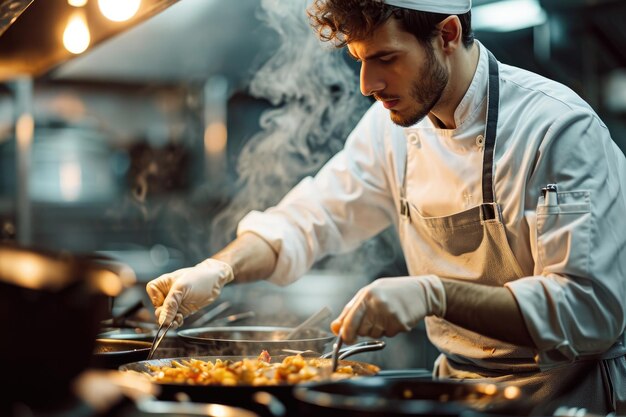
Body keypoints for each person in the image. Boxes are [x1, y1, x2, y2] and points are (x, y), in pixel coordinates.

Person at [146, 0, 626, 413]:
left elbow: (589, 313)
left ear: (448, 34)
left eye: (385, 58)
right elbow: (309, 220)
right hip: (458, 395)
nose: (366, 84)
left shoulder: (558, 131)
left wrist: (433, 295)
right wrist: (219, 268)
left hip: (567, 399)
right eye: (358, 59)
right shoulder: (391, 130)